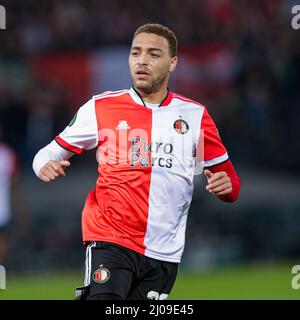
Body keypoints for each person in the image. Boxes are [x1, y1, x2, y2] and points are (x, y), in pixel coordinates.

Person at [32, 23, 241, 300]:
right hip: (110, 239)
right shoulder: (101, 107)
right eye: (136, 53)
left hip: (163, 252)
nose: (142, 61)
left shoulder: (195, 116)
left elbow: (231, 183)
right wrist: (43, 166)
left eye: (154, 54)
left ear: (173, 63)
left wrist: (226, 186)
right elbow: (46, 154)